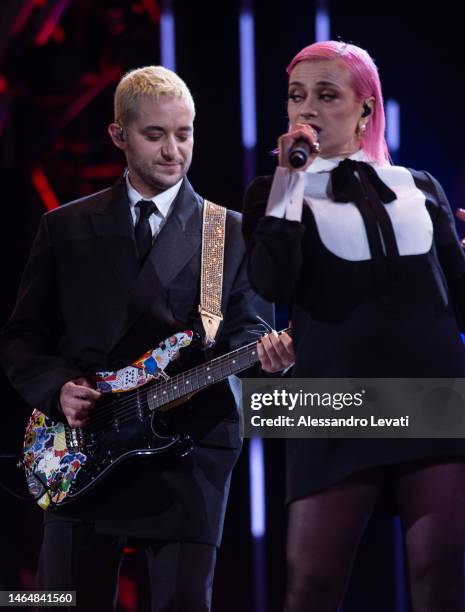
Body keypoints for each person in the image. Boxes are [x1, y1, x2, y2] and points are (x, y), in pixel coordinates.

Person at [0, 65, 293, 611]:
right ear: (119, 136)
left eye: (183, 134)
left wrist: (268, 359)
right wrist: (58, 387)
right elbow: (22, 337)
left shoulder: (225, 232)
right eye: (154, 135)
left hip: (187, 446)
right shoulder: (64, 227)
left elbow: (249, 332)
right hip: (77, 445)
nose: (172, 151)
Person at [242, 41, 465, 612]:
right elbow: (272, 283)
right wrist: (289, 180)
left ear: (366, 111)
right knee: (311, 586)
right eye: (296, 96)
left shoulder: (421, 186)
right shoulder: (274, 192)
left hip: (437, 393)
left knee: (438, 582)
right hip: (334, 398)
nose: (306, 110)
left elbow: (464, 309)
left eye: (326, 96)